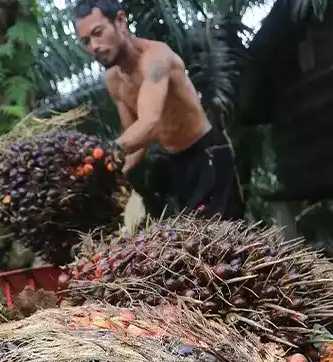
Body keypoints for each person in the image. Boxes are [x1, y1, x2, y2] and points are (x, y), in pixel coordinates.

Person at [73, 0, 244, 220]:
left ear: (120, 21)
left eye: (98, 33)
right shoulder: (114, 80)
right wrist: (112, 173)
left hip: (206, 153)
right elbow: (135, 138)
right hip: (175, 163)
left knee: (225, 238)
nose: (94, 46)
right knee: (193, 241)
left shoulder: (156, 59)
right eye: (86, 41)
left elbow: (150, 124)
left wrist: (103, 154)